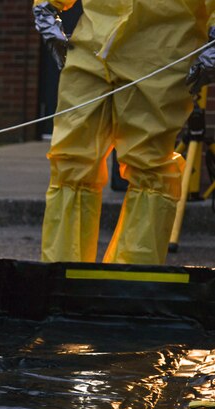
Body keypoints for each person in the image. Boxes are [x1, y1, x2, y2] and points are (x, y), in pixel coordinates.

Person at [33, 0, 215, 264]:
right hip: (93, 48)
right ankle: (63, 276)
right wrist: (47, 6)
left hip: (162, 54)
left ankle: (131, 280)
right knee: (71, 161)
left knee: (149, 167)